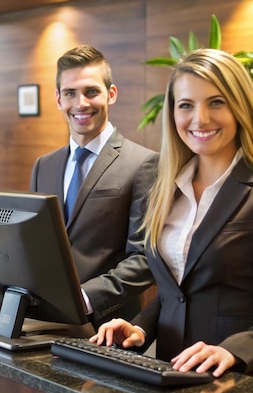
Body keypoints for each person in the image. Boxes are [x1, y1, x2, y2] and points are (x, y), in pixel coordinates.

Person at [90, 48, 253, 382]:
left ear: (240, 107)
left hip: (241, 382)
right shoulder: (163, 188)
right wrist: (139, 328)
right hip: (170, 376)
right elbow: (177, 294)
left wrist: (233, 350)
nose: (200, 119)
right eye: (186, 105)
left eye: (216, 102)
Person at [30, 45, 158, 328]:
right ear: (58, 98)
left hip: (109, 324)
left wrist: (86, 298)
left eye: (91, 91)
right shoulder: (43, 166)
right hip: (41, 320)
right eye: (70, 93)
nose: (81, 104)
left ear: (111, 94)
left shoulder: (144, 163)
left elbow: (144, 259)